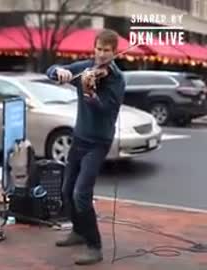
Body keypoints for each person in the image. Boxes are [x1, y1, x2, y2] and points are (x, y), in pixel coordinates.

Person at [45, 29, 126, 265]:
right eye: (98, 49)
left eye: (107, 51)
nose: (101, 55)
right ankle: (79, 231)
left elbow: (106, 110)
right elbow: (50, 71)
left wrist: (91, 93)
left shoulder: (117, 80)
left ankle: (94, 246)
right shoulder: (86, 67)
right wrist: (58, 71)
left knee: (82, 194)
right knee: (66, 191)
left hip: (98, 142)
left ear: (114, 52)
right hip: (79, 138)